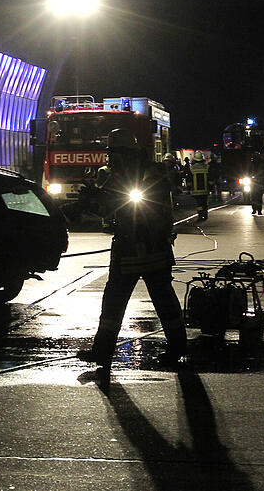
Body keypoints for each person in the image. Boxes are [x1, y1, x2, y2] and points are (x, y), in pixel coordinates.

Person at [78, 128, 187, 375]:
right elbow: (109, 208)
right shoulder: (115, 175)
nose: (111, 158)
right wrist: (88, 202)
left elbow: (134, 202)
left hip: (150, 246)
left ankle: (178, 348)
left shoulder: (150, 173)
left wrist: (104, 199)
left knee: (163, 300)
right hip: (128, 246)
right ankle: (102, 351)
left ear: (128, 153)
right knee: (113, 301)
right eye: (110, 154)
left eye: (115, 153)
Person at [189, 151, 209, 220]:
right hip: (205, 190)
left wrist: (189, 188)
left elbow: (189, 179)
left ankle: (200, 215)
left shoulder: (192, 168)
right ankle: (205, 214)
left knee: (199, 204)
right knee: (204, 202)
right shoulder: (206, 167)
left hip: (196, 190)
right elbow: (210, 178)